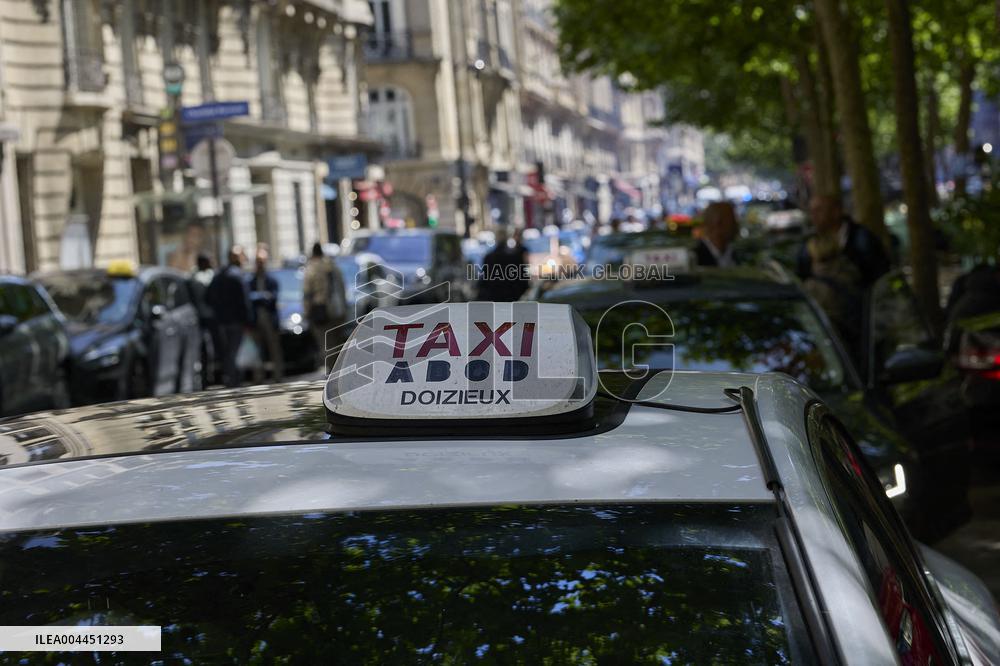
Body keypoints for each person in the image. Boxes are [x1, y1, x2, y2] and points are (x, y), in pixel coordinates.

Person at [796, 195, 890, 288]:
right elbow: (802, 274)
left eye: (819, 210)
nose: (813, 216)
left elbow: (878, 274)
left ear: (836, 212)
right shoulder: (811, 242)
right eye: (811, 211)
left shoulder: (861, 238)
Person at [206, 246, 252, 388]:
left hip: (222, 321)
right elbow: (245, 301)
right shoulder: (237, 276)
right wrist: (249, 320)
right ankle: (234, 380)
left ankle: (231, 378)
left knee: (228, 352)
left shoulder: (218, 275)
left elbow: (208, 298)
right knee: (233, 352)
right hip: (235, 321)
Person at [248, 244, 284, 383]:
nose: (260, 265)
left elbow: (272, 298)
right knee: (257, 349)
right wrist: (262, 296)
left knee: (274, 347)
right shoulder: (251, 280)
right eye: (258, 262)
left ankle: (278, 376)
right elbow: (250, 297)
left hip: (269, 318)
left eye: (262, 262)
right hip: (256, 318)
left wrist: (258, 297)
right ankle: (259, 377)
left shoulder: (272, 280)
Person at [303, 243, 338, 371]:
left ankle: (329, 369)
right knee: (333, 340)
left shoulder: (311, 269)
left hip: (318, 308)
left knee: (323, 341)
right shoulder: (330, 266)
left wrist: (306, 311)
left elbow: (307, 292)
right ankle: (335, 367)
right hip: (332, 308)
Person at [476, 226, 529, 302]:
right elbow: (523, 279)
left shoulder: (489, 257)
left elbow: (484, 280)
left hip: (494, 297)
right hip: (512, 297)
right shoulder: (515, 257)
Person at [189, 254, 218, 387]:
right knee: (206, 349)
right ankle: (207, 376)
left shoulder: (198, 276)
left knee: (207, 349)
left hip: (208, 317)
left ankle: (208, 374)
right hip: (204, 318)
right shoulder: (199, 278)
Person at [694, 201, 739, 267]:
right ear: (717, 223)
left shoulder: (736, 254)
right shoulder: (695, 258)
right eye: (732, 221)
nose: (736, 225)